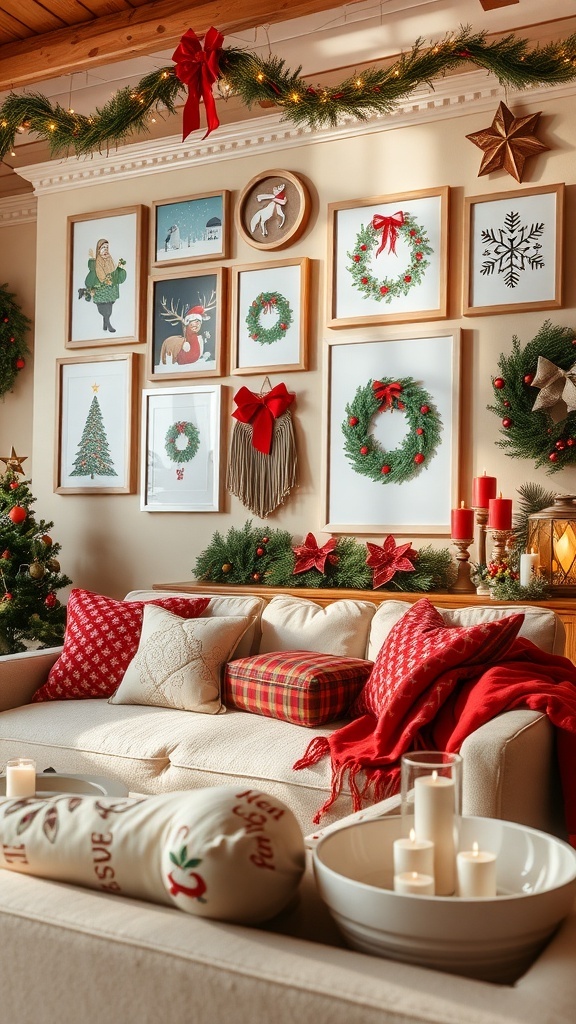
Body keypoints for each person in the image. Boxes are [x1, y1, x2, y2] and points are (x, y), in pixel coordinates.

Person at [83, 239, 127, 333]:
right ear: (98, 249)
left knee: (109, 309)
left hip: (110, 292)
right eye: (103, 247)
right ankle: (108, 324)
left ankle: (105, 325)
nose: (105, 249)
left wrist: (119, 269)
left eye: (107, 247)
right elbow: (95, 276)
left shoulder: (110, 260)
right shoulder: (97, 263)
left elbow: (115, 276)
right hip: (101, 292)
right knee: (105, 310)